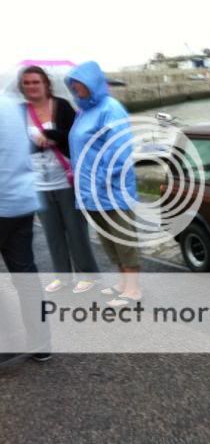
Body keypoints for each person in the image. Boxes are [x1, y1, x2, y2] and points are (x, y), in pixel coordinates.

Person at [65, 61, 141, 307]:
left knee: (122, 239)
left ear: (92, 82)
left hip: (112, 191)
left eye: (79, 82)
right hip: (90, 193)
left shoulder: (111, 108)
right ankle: (122, 284)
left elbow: (120, 151)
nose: (75, 87)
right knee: (108, 241)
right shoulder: (83, 112)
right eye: (73, 83)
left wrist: (99, 183)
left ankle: (133, 290)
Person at [19, 66, 100, 293]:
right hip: (37, 182)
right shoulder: (19, 111)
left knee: (76, 229)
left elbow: (76, 138)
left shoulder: (62, 106)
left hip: (66, 178)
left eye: (36, 82)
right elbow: (14, 145)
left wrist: (52, 137)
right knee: (52, 233)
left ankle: (88, 274)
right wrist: (36, 143)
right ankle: (63, 276)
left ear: (46, 83)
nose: (32, 86)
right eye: (27, 83)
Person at [0, 94, 51, 365]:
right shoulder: (10, 104)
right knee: (26, 276)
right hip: (21, 200)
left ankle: (6, 342)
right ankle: (41, 344)